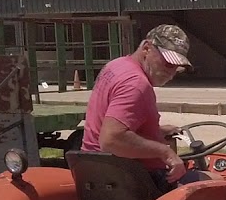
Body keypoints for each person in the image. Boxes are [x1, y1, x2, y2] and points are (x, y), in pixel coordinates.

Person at [81, 24, 205, 188]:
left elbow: (114, 124)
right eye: (168, 63)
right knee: (219, 184)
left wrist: (156, 132)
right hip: (135, 180)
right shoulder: (136, 84)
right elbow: (111, 139)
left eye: (177, 67)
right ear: (147, 48)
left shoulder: (116, 66)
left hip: (100, 173)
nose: (172, 72)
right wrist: (165, 152)